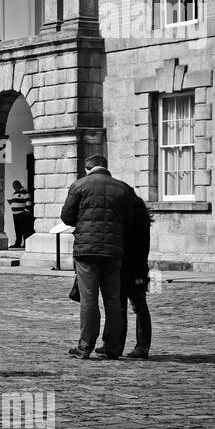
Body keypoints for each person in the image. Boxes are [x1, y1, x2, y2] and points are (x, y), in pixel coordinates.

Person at [59, 154, 135, 361]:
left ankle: (85, 346)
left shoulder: (79, 186)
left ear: (87, 168)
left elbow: (66, 217)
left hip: (87, 251)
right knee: (112, 299)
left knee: (89, 299)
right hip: (113, 251)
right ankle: (111, 346)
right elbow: (129, 221)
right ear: (105, 167)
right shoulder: (122, 188)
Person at [122, 193, 153, 359]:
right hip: (139, 269)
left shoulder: (135, 221)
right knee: (139, 306)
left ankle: (141, 346)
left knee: (138, 306)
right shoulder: (141, 219)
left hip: (133, 269)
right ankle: (142, 345)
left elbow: (136, 250)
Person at [8, 180, 33, 248]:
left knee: (24, 229)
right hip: (15, 214)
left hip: (21, 214)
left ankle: (26, 244)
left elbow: (28, 201)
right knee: (17, 229)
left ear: (19, 185)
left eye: (15, 186)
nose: (14, 188)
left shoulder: (25, 192)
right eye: (13, 187)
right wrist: (11, 203)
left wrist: (26, 210)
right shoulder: (15, 193)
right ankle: (17, 243)